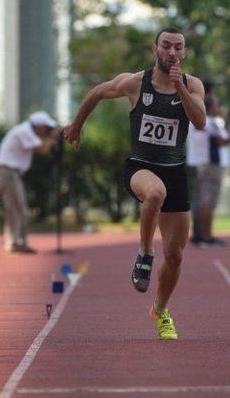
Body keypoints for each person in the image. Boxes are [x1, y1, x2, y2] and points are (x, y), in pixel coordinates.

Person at [63, 27, 206, 340]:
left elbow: (200, 121)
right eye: (166, 45)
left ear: (184, 53)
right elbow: (98, 92)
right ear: (154, 48)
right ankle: (144, 254)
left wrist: (179, 88)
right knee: (155, 193)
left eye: (177, 47)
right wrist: (76, 125)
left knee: (176, 256)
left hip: (175, 171)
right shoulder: (135, 83)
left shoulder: (192, 84)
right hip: (141, 168)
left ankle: (160, 310)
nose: (171, 52)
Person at [0, 111, 60, 254]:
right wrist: (53, 137)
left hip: (11, 172)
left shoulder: (27, 131)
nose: (47, 130)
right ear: (39, 125)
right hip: (7, 171)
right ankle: (14, 243)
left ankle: (20, 242)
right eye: (46, 127)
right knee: (15, 207)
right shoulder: (24, 131)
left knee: (19, 207)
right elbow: (42, 149)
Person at [187, 93, 230, 246]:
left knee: (199, 200)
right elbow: (225, 140)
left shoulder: (193, 121)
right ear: (210, 107)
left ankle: (198, 235)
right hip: (210, 164)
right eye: (216, 105)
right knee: (208, 201)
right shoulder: (212, 122)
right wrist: (224, 119)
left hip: (196, 163)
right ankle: (206, 237)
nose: (218, 108)